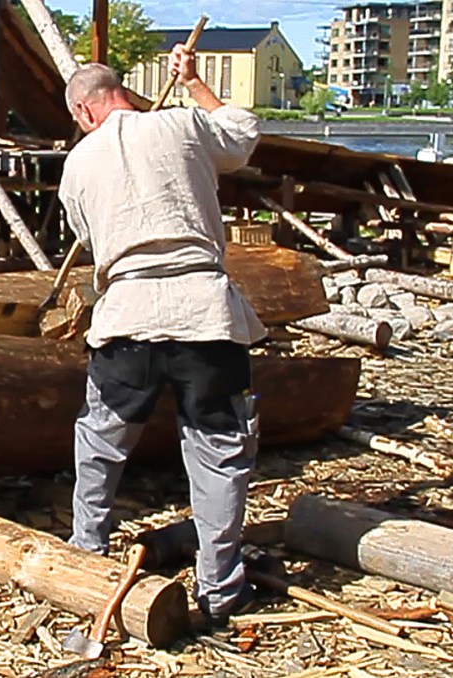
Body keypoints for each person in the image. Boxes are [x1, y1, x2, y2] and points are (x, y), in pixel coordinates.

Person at [58, 43, 266, 626]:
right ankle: (222, 590)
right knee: (220, 453)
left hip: (128, 317)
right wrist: (196, 82)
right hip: (204, 316)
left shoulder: (78, 164)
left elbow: (90, 237)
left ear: (84, 112)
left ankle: (86, 553)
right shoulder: (183, 123)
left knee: (101, 442)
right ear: (121, 93)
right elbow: (244, 132)